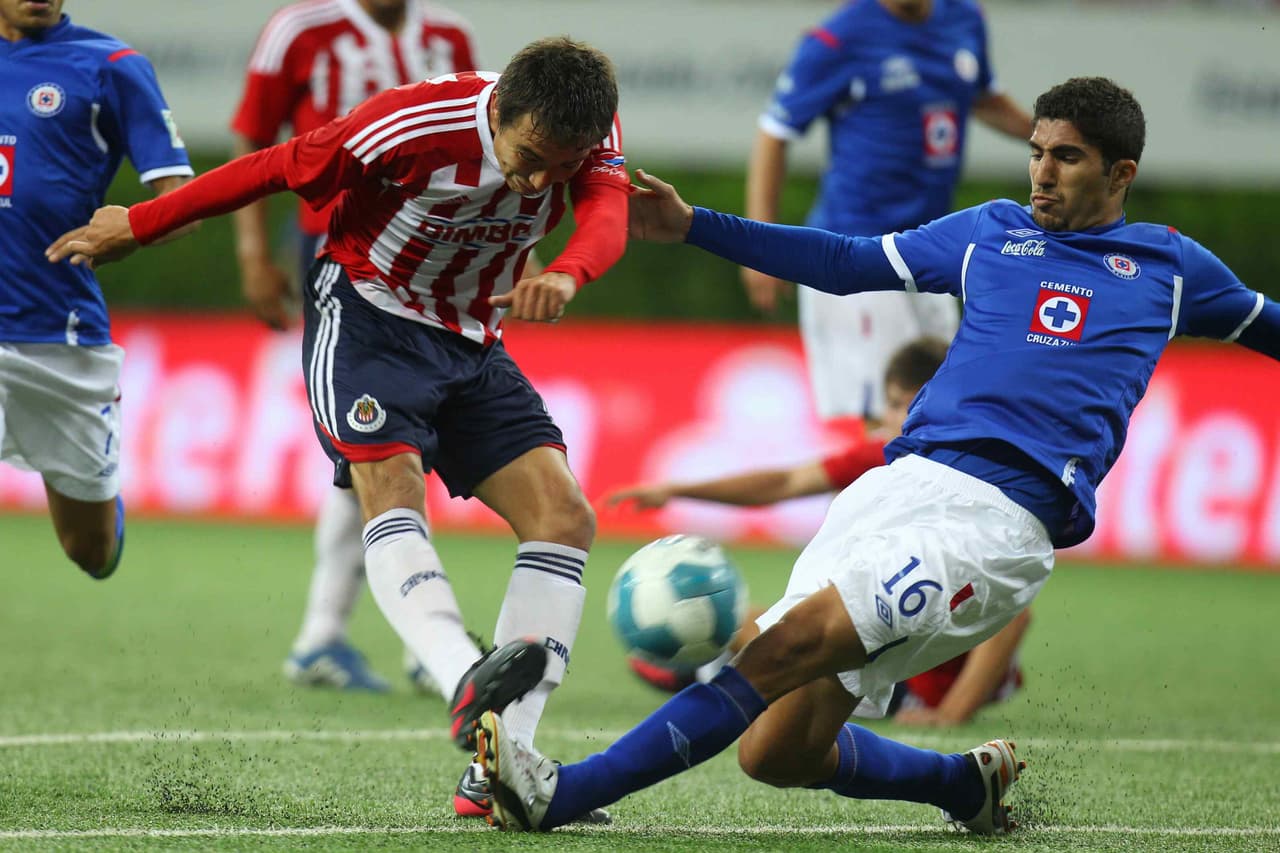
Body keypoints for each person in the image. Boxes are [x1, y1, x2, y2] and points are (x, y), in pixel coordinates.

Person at [465, 77, 1280, 834]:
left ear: (1121, 171)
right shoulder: (990, 232)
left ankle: (560, 792)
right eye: (1035, 150)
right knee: (775, 752)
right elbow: (849, 264)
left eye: (1065, 157)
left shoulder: (1170, 267)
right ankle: (965, 786)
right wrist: (692, 227)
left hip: (994, 524)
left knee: (775, 649)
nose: (1042, 172)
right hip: (895, 489)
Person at [48, 36, 625, 825]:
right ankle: (461, 671)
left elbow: (606, 213)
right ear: (499, 108)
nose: (538, 180)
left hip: (472, 340)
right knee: (388, 483)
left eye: (560, 166)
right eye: (528, 156)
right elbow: (269, 167)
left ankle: (505, 765)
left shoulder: (587, 129)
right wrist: (140, 223)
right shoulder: (408, 124)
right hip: (369, 321)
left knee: (566, 518)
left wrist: (566, 271)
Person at [229, 0, 479, 695]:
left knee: (415, 436)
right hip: (339, 252)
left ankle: (413, 635)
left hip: (437, 261)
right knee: (371, 438)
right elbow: (254, 140)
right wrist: (254, 252)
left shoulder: (449, 34)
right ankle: (335, 635)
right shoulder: (300, 31)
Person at [607, 338, 1031, 728]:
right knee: (752, 619)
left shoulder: (969, 477)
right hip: (891, 645)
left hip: (914, 686)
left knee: (778, 639)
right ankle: (705, 671)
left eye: (902, 404)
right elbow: (783, 483)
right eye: (890, 404)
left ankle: (698, 674)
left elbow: (1015, 618)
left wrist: (950, 714)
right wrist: (676, 490)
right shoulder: (885, 455)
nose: (887, 419)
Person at [744, 0, 1032, 426]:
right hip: (858, 257)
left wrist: (1051, 137)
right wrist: (760, 248)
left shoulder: (964, 18)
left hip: (933, 254)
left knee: (942, 414)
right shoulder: (837, 40)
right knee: (886, 422)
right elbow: (774, 134)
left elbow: (983, 97)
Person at [1, 0, 193, 580]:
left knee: (90, 551)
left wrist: (131, 230)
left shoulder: (110, 64)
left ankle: (104, 507)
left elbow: (181, 205)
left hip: (57, 333)